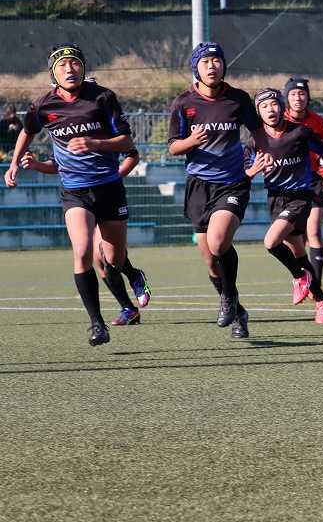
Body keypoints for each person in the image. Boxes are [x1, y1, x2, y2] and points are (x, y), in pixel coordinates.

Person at [4, 43, 136, 346]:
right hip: (75, 190)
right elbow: (27, 131)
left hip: (108, 186)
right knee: (82, 250)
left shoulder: (103, 98)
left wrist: (94, 144)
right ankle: (97, 324)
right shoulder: (44, 106)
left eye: (75, 63)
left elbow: (126, 142)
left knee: (114, 258)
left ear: (83, 67)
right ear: (53, 73)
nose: (69, 69)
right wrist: (14, 163)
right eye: (62, 65)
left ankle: (132, 277)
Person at [168, 42, 271, 340]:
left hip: (232, 182)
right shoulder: (183, 103)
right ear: (196, 68)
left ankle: (228, 297)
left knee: (218, 241)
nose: (212, 66)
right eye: (205, 62)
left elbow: (258, 131)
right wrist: (191, 142)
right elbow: (173, 146)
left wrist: (264, 153)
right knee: (211, 259)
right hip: (199, 186)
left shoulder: (237, 98)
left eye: (216, 61)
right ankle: (239, 312)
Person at [20, 145, 152, 325]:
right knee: (95, 258)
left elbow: (132, 155)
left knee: (110, 259)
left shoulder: (106, 131)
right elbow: (56, 164)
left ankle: (134, 275)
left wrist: (114, 177)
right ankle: (128, 308)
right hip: (78, 196)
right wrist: (36, 165)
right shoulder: (65, 133)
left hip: (108, 195)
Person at [245, 88, 323, 323]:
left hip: (300, 198)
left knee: (270, 242)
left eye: (274, 104)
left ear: (282, 107)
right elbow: (245, 171)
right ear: (258, 112)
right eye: (264, 106)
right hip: (276, 199)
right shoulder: (255, 140)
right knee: (298, 253)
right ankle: (322, 300)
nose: (270, 109)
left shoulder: (299, 132)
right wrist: (254, 170)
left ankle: (299, 277)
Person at [282, 77, 323, 282]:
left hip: (312, 181)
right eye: (293, 94)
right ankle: (300, 279)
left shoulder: (316, 121)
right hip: (285, 183)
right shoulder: (279, 118)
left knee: (313, 231)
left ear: (308, 97)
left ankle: (316, 285)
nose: (298, 98)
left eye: (302, 93)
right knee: (292, 238)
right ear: (286, 98)